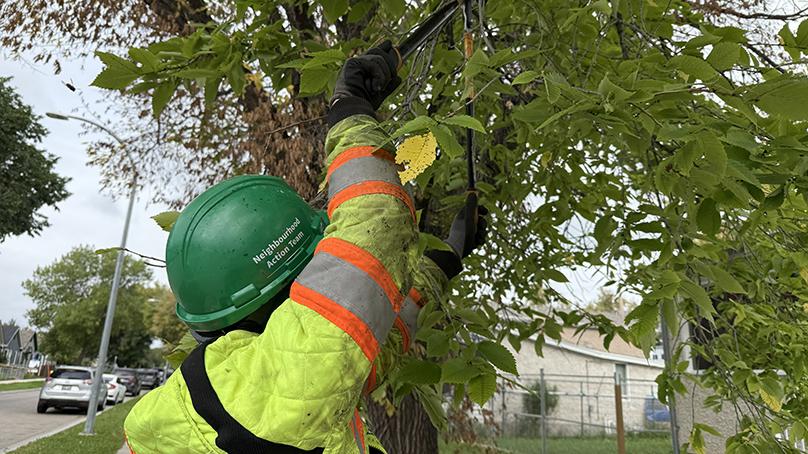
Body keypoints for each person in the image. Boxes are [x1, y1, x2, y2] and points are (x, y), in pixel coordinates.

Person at [123, 41, 486, 454]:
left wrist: (444, 261)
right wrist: (350, 110)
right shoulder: (270, 385)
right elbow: (376, 226)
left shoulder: (235, 390)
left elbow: (370, 338)